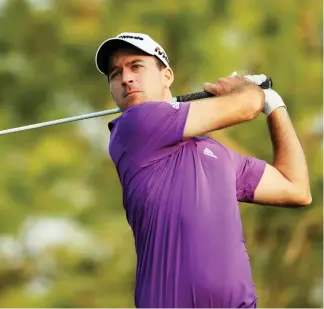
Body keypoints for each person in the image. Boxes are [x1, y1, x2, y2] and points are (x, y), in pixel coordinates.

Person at [94, 32, 312, 308]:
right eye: (116, 74)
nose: (126, 78)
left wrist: (274, 104)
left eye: (136, 66)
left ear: (167, 76)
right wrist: (249, 90)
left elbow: (296, 189)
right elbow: (245, 107)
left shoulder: (218, 154)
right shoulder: (134, 125)